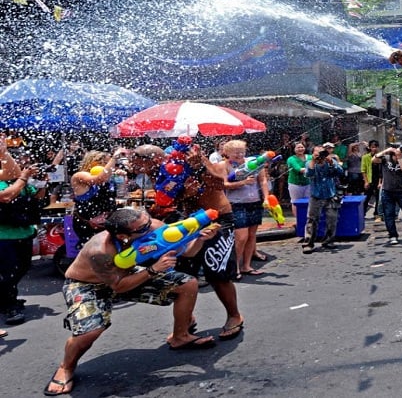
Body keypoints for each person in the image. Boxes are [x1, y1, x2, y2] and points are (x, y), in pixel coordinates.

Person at [43, 207, 219, 396]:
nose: (150, 228)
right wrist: (153, 270)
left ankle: (180, 336)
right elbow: (118, 287)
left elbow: (188, 252)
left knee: (187, 284)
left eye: (149, 221)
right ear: (122, 236)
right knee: (90, 330)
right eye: (143, 228)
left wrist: (200, 238)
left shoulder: (153, 226)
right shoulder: (100, 250)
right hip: (87, 284)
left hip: (128, 275)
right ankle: (66, 367)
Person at [134, 142, 245, 342]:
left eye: (138, 163)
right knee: (185, 274)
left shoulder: (189, 159)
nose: (134, 168)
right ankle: (187, 321)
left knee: (217, 272)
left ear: (152, 159)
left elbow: (221, 183)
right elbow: (170, 199)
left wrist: (200, 167)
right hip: (189, 222)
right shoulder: (159, 172)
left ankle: (234, 315)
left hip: (217, 219)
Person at [0, 139, 43, 326]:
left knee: (22, 268)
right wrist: (23, 178)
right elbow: (7, 196)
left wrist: (41, 182)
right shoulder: (9, 180)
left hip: (23, 232)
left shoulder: (15, 176)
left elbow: (36, 195)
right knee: (7, 273)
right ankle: (10, 306)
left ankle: (6, 297)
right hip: (3, 235)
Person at [221, 140, 269, 278]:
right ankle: (234, 267)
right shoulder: (224, 165)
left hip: (254, 202)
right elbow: (224, 185)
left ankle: (246, 266)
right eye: (236, 152)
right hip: (236, 204)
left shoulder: (253, 162)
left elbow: (263, 180)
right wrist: (243, 182)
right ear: (227, 153)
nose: (240, 154)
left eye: (242, 151)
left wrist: (266, 198)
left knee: (252, 236)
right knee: (241, 237)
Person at [70, 148, 129, 252]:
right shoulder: (79, 176)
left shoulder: (108, 175)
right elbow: (99, 179)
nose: (110, 165)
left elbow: (119, 194)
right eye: (106, 162)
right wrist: (114, 157)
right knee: (94, 253)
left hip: (106, 222)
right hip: (87, 223)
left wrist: (120, 178)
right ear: (94, 162)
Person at [302, 145, 344, 253]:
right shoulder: (309, 163)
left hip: (330, 194)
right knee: (312, 220)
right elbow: (308, 174)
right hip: (316, 195)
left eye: (322, 152)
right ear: (313, 154)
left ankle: (328, 241)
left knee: (332, 219)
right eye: (317, 152)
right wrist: (313, 161)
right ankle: (308, 243)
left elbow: (340, 172)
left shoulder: (330, 161)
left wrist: (331, 163)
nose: (320, 154)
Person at [286, 142, 311, 218]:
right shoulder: (291, 159)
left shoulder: (310, 157)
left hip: (308, 183)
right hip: (295, 184)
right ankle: (298, 220)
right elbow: (298, 169)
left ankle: (307, 219)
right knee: (295, 202)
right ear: (294, 149)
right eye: (298, 147)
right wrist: (312, 169)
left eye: (302, 147)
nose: (300, 149)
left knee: (309, 202)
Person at [361, 140, 382, 220]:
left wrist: (380, 182)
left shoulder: (381, 157)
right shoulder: (365, 157)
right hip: (369, 179)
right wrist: (366, 181)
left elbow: (381, 171)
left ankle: (377, 214)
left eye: (376, 147)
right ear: (369, 147)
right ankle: (362, 213)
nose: (374, 149)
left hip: (378, 180)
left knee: (378, 198)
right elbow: (363, 170)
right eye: (372, 147)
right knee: (366, 197)